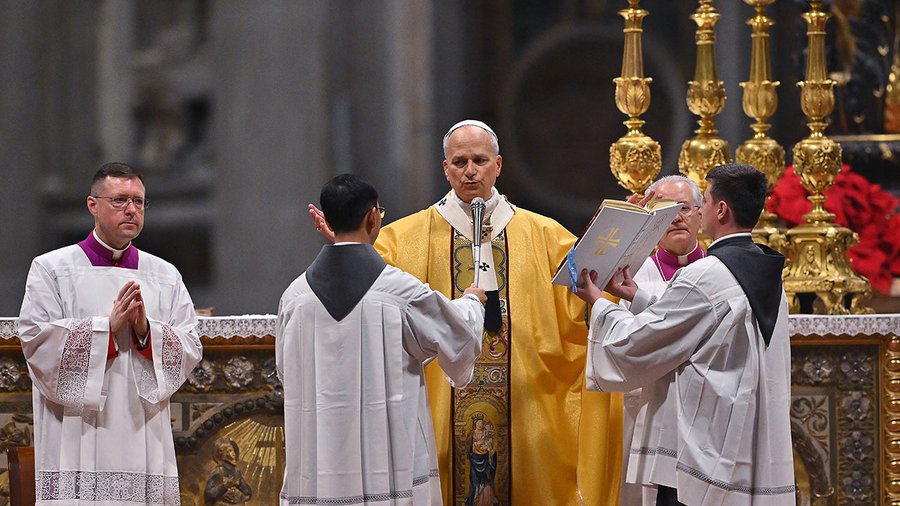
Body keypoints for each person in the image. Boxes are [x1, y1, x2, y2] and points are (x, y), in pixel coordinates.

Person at [310, 120, 622, 505]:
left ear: (498, 165)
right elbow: (369, 299)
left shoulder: (545, 236)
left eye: (479, 160)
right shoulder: (403, 239)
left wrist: (624, 246)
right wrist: (349, 249)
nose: (470, 170)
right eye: (459, 162)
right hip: (441, 402)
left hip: (527, 408)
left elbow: (586, 300)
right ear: (446, 169)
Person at [574, 163, 795, 506]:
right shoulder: (766, 272)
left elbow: (640, 342)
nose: (699, 211)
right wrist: (639, 297)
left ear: (721, 210)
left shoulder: (706, 274)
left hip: (703, 448)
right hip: (744, 439)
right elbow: (700, 325)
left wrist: (600, 303)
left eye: (704, 201)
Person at [278, 174, 486, 505]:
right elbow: (456, 334)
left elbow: (285, 373)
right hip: (387, 463)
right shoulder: (399, 292)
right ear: (372, 217)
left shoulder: (294, 298)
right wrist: (473, 302)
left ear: (326, 220)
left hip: (321, 464)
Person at [18, 162, 203, 505]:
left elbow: (191, 345)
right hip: (76, 431)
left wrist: (146, 332)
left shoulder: (165, 275)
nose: (131, 209)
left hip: (142, 428)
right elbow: (36, 342)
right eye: (120, 200)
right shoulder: (52, 269)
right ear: (93, 205)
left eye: (139, 201)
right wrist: (106, 329)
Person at [618, 175, 705, 506]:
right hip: (648, 408)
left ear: (701, 215)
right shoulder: (631, 275)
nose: (676, 218)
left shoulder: (719, 272)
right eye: (664, 210)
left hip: (704, 411)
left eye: (683, 208)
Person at [204, 437, 252, 505]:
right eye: (229, 451)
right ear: (221, 455)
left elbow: (248, 493)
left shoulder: (237, 472)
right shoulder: (218, 473)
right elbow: (208, 495)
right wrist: (225, 485)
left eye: (233, 451)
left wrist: (240, 483)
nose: (234, 454)